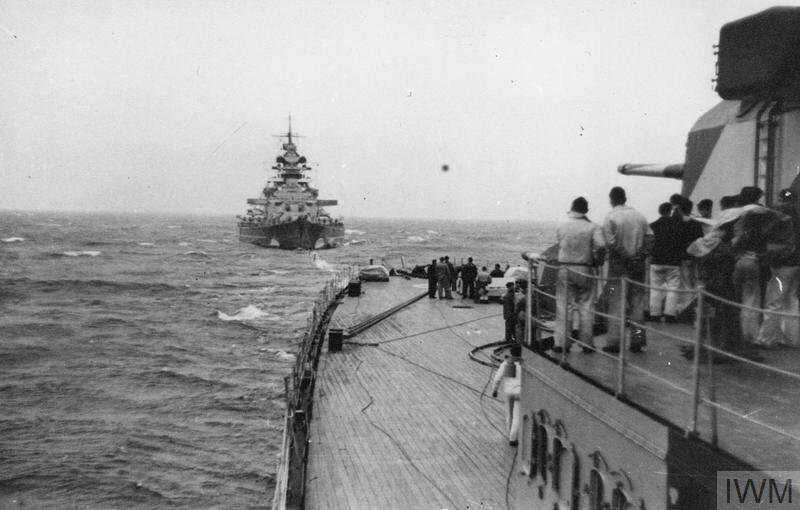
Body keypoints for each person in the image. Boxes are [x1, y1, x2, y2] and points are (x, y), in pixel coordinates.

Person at [601, 187, 652, 353]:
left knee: (616, 305)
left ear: (611, 199)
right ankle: (637, 341)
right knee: (637, 304)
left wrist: (627, 258)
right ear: (625, 198)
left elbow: (611, 243)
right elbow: (650, 239)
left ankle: (614, 343)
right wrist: (638, 257)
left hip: (618, 268)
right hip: (638, 267)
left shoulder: (610, 217)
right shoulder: (640, 216)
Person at [554, 196, 605, 353]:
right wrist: (598, 261)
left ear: (572, 208)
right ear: (586, 210)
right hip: (584, 268)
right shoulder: (593, 227)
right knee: (586, 306)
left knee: (564, 306)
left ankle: (562, 343)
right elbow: (601, 246)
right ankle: (587, 343)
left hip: (565, 268)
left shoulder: (561, 225)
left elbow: (560, 242)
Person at [756, 188, 800, 347]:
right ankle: (792, 339)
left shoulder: (779, 217)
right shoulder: (798, 216)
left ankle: (766, 338)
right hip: (797, 264)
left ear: (781, 199)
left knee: (775, 300)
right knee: (792, 301)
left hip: (782, 264)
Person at [649, 202, 683, 323]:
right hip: (673, 261)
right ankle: (670, 315)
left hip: (656, 261)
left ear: (660, 211)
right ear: (670, 211)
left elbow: (650, 243)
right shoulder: (678, 226)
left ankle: (654, 315)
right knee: (673, 288)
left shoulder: (653, 225)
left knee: (655, 288)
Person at [491, 344, 522, 446]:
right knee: (517, 416)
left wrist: (494, 390)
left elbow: (497, 378)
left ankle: (510, 434)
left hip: (509, 392)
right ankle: (513, 438)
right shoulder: (523, 365)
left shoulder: (506, 363)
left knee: (510, 415)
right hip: (519, 392)